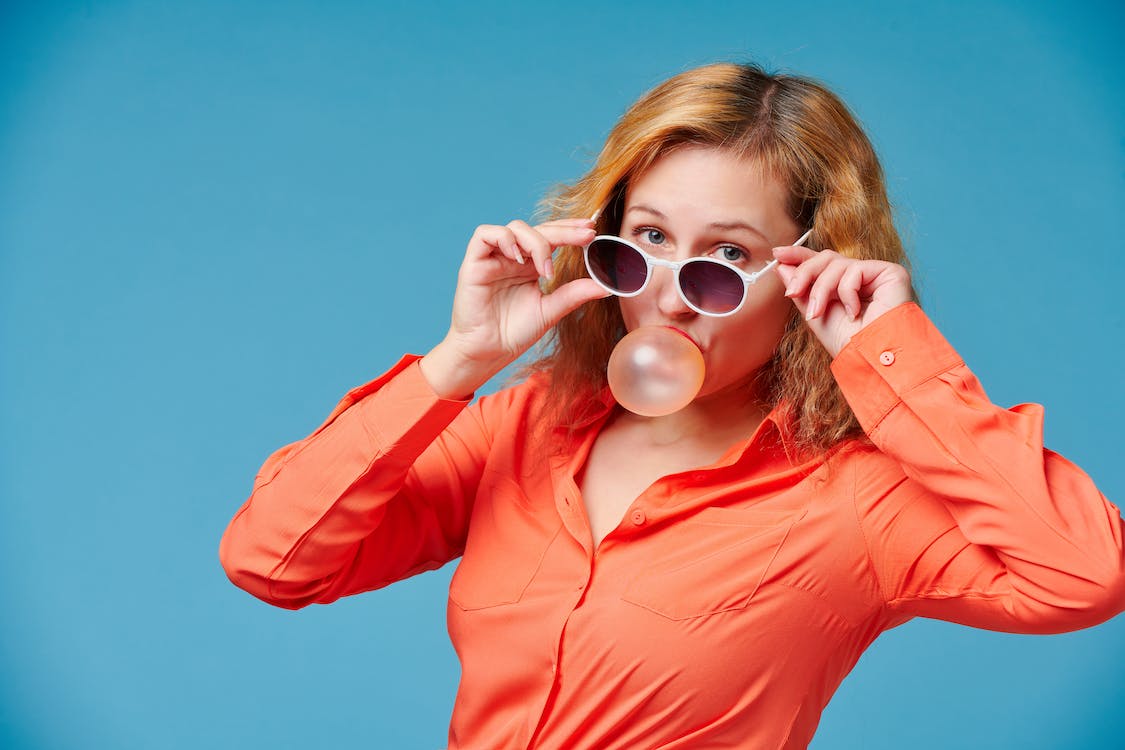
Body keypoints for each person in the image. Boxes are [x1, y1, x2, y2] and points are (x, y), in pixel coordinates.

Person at [219, 62, 1125, 749]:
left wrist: (890, 352)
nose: (668, 296)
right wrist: (458, 363)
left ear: (809, 273)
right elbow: (272, 560)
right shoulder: (527, 425)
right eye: (645, 240)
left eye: (724, 259)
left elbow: (1083, 575)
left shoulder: (854, 499)